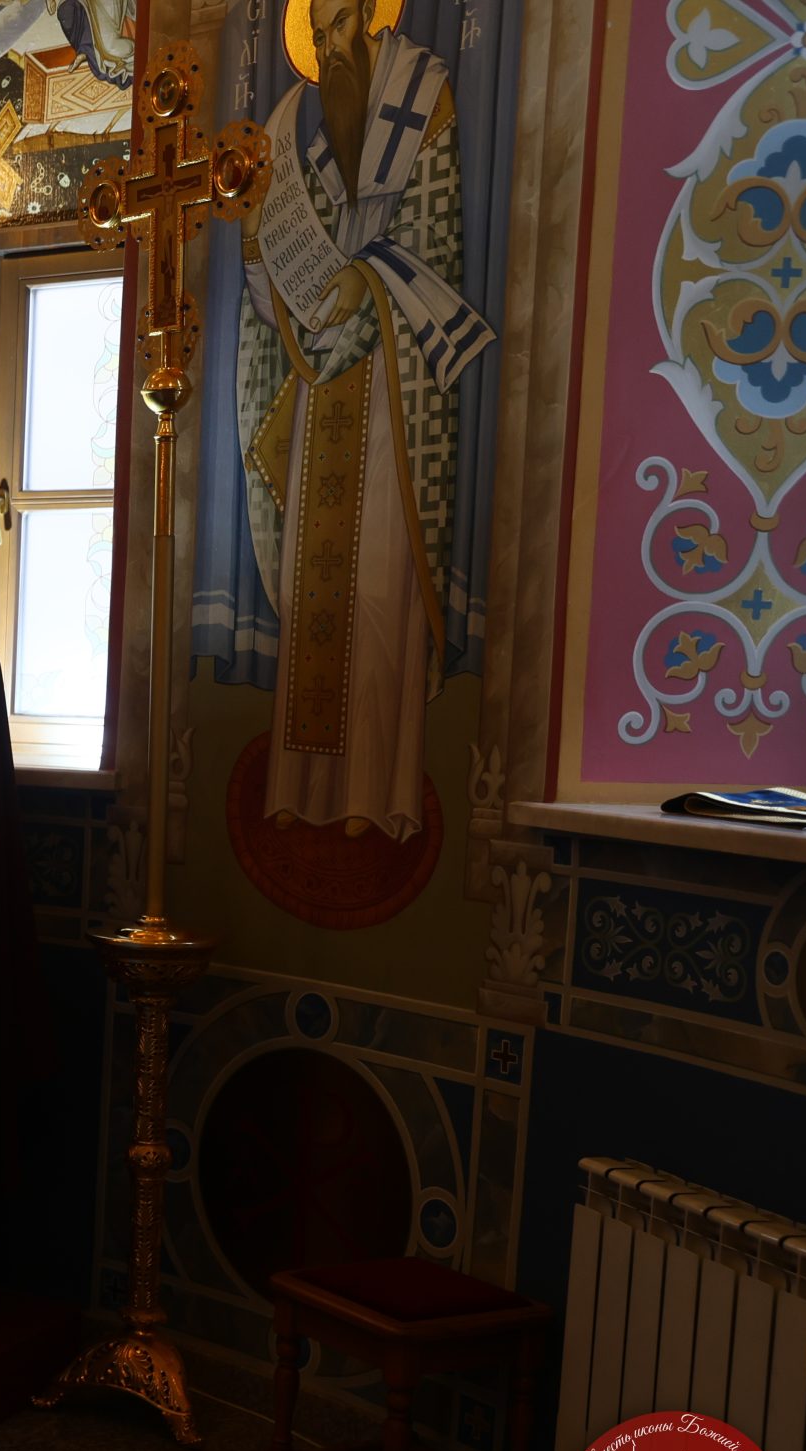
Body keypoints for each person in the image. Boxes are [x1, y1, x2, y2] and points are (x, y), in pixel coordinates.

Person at [231, 0, 489, 840]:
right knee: (315, 590)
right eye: (318, 32)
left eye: (341, 24)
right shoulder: (304, 140)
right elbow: (280, 284)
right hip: (321, 389)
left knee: (380, 589)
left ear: (372, 19)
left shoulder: (423, 94)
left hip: (395, 388)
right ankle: (301, 787)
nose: (330, 45)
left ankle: (378, 794)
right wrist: (259, 247)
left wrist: (366, 280)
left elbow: (436, 238)